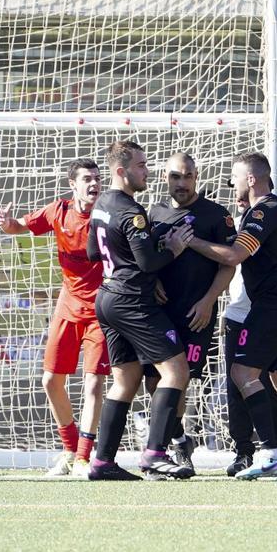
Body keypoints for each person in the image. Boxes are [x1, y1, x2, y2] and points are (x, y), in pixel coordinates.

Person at [185, 152, 277, 481]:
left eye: (235, 180)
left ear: (251, 180)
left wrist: (191, 241)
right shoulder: (269, 211)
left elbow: (235, 255)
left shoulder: (264, 210)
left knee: (243, 372)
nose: (232, 187)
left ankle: (271, 452)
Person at [86, 141, 195, 481]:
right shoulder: (130, 210)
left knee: (127, 379)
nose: (146, 171)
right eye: (142, 166)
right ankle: (155, 454)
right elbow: (148, 263)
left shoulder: (102, 204)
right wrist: (173, 248)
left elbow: (93, 252)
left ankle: (102, 462)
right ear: (122, 171)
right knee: (176, 371)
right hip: (132, 300)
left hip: (107, 298)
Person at [0, 159, 107, 478]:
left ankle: (85, 458)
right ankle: (70, 450)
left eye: (98, 178)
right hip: (68, 306)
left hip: (102, 309)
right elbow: (21, 227)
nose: (94, 183)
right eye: (87, 178)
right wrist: (6, 222)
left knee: (93, 382)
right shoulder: (58, 211)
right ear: (73, 184)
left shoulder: (110, 213)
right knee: (50, 380)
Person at [148, 153, 237, 472]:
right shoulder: (154, 213)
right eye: (175, 177)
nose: (181, 183)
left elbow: (230, 262)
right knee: (153, 382)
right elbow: (145, 257)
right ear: (165, 178)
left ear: (197, 176)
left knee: (179, 380)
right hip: (157, 313)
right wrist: (154, 279)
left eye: (187, 176)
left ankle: (173, 447)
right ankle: (178, 439)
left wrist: (209, 300)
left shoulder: (215, 215)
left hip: (196, 315)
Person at [221, 194, 277, 476]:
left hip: (266, 314)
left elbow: (236, 255)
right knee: (235, 384)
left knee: (268, 380)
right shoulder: (228, 225)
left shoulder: (270, 220)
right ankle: (243, 450)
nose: (236, 195)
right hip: (236, 314)